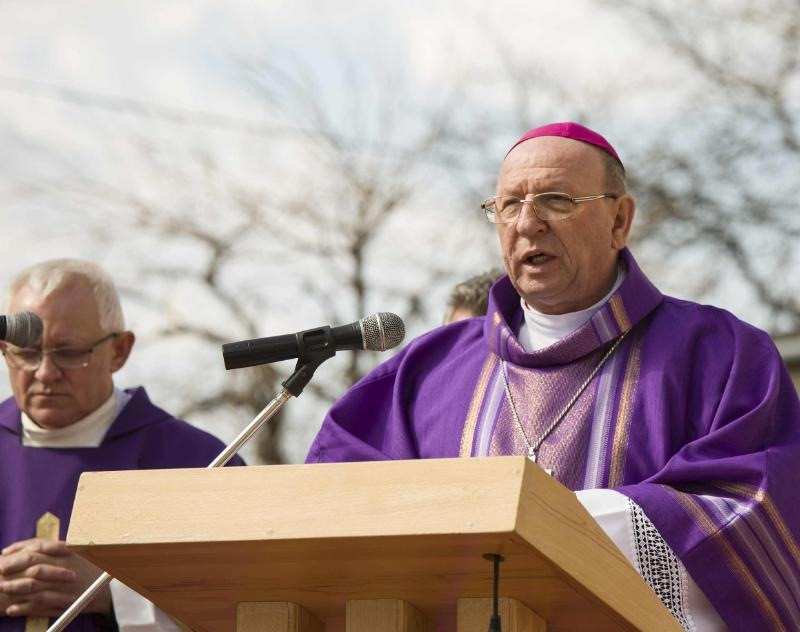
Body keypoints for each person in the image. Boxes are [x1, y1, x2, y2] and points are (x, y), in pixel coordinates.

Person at [306, 123, 800, 631]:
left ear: (619, 221)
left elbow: (749, 507)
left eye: (556, 201)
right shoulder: (427, 370)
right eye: (508, 205)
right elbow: (333, 500)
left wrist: (536, 524)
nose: (527, 223)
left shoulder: (720, 353)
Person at [0, 259, 245, 632]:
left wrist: (115, 595)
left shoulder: (198, 463)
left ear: (119, 351)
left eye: (69, 353)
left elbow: (247, 600)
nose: (45, 373)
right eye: (26, 353)